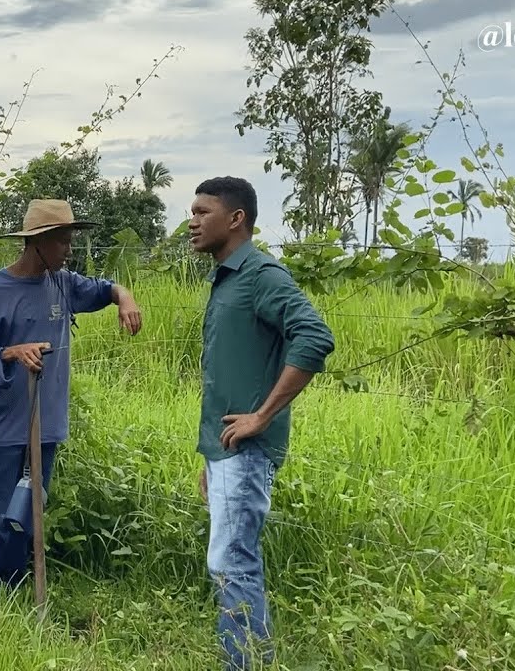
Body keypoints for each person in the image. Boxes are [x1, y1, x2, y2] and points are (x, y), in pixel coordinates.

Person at [188, 177, 335, 668]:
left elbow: (314, 337)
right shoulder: (228, 276)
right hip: (227, 450)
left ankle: (246, 662)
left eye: (202, 211)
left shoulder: (260, 274)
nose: (192, 221)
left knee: (233, 563)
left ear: (236, 219)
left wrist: (261, 417)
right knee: (228, 561)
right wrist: (212, 454)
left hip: (248, 451)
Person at [0, 198, 142, 595]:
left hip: (46, 425)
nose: (69, 250)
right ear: (38, 242)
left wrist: (124, 297)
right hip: (5, 426)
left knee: (29, 515)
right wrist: (12, 352)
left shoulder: (64, 284)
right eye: (63, 241)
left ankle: (14, 589)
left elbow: (108, 289)